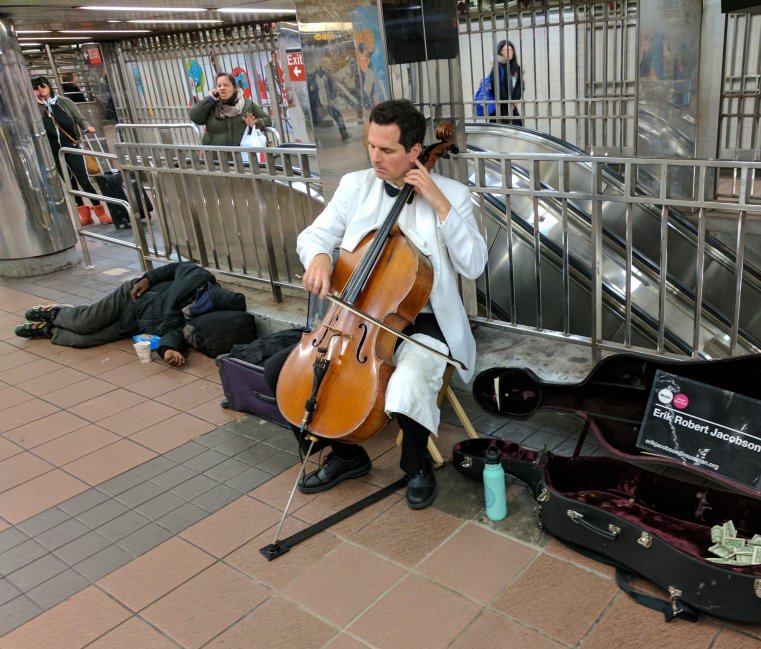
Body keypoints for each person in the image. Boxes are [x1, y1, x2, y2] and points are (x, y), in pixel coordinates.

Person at [265, 99, 488, 509]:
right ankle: (349, 457)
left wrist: (439, 203)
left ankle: (416, 463)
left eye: (386, 150)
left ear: (415, 152)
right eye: (371, 145)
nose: (375, 157)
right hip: (354, 317)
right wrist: (317, 257)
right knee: (279, 373)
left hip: (423, 320)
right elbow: (315, 235)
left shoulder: (453, 195)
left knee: (407, 381)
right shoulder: (356, 186)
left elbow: (474, 264)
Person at [14, 261, 246, 367]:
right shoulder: (197, 278)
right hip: (131, 296)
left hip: (133, 324)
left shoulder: (191, 321)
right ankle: (53, 312)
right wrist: (148, 278)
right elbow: (175, 267)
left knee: (83, 339)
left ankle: (47, 331)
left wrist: (169, 350)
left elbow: (173, 335)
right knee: (86, 321)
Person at [32, 75, 111, 227]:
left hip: (71, 145)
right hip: (53, 149)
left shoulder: (63, 102)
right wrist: (39, 105)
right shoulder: (35, 108)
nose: (40, 90)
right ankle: (84, 214)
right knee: (70, 183)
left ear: (48, 86)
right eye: (36, 88)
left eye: (42, 86)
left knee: (84, 180)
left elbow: (78, 117)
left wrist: (87, 127)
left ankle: (100, 212)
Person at [189, 72, 271, 146]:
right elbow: (195, 117)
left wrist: (255, 123)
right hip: (216, 156)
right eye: (219, 86)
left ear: (234, 88)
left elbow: (267, 119)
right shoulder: (211, 105)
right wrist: (209, 100)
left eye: (226, 85)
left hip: (242, 156)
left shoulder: (247, 104)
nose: (222, 88)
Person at [307, 59, 350, 141]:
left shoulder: (326, 74)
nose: (327, 64)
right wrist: (329, 100)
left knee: (337, 115)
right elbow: (322, 89)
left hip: (324, 101)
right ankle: (344, 133)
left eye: (328, 62)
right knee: (336, 115)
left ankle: (344, 133)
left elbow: (331, 88)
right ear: (321, 64)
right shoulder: (318, 75)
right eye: (325, 62)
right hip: (323, 101)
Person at [491, 40, 524, 126]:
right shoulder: (498, 67)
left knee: (517, 129)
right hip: (500, 108)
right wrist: (508, 102)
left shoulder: (516, 68)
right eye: (505, 50)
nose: (509, 52)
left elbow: (521, 85)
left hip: (512, 107)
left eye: (511, 50)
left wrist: (515, 100)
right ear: (500, 52)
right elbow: (496, 86)